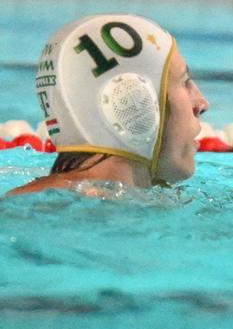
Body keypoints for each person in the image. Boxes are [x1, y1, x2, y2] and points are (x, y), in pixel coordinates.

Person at [6, 14, 209, 197]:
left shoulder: (39, 204)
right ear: (132, 98)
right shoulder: (57, 208)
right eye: (184, 81)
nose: (202, 104)